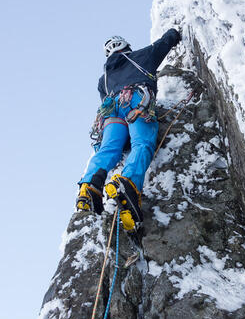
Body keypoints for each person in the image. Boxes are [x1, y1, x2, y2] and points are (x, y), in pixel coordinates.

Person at [76, 28, 182, 231]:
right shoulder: (139, 57)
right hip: (136, 100)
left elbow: (104, 99)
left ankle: (88, 186)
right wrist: (174, 33)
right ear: (126, 47)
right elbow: (163, 44)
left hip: (111, 109)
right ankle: (128, 183)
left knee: (109, 149)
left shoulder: (104, 79)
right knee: (142, 143)